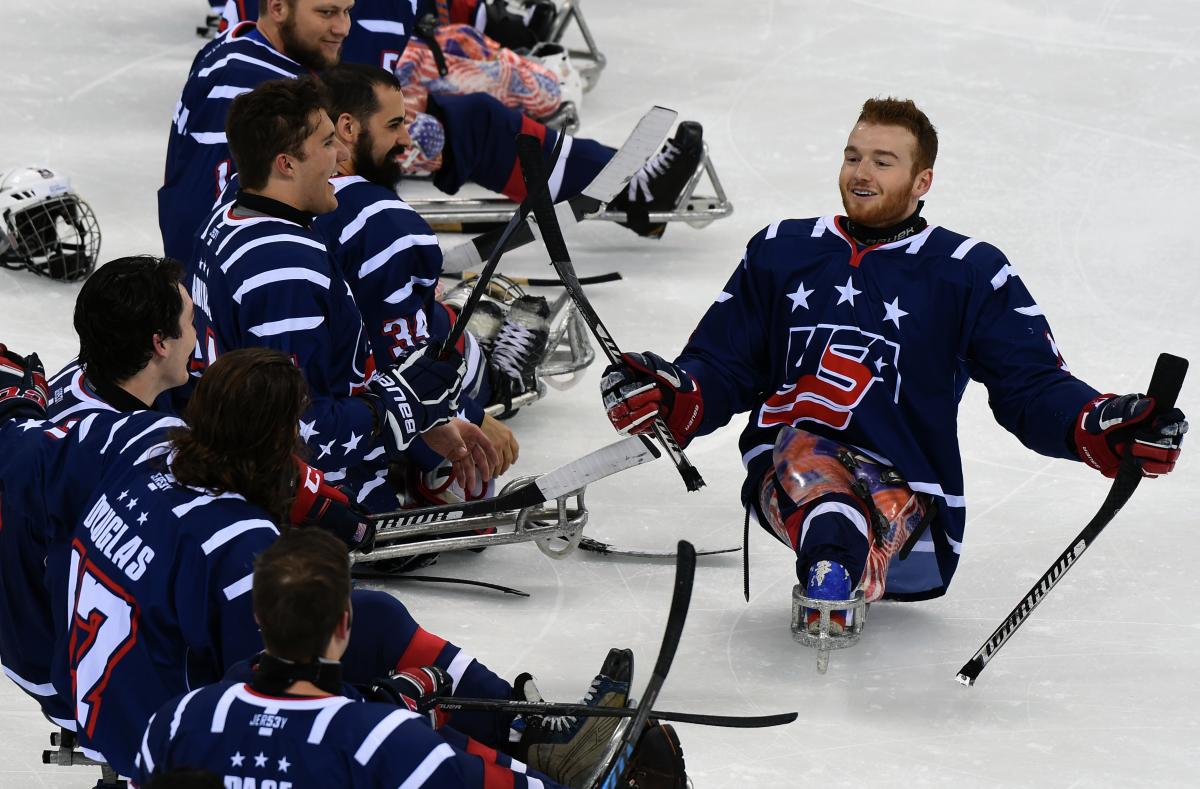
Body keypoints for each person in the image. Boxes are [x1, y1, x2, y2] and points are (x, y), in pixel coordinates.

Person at [600, 97, 1188, 637]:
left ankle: (846, 555)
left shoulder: (968, 270)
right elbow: (723, 363)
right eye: (853, 157)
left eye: (884, 162)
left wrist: (1100, 422)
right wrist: (673, 393)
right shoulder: (781, 249)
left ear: (921, 179)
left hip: (903, 481)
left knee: (838, 500)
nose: (861, 173)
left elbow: (1031, 385)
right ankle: (836, 552)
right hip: (787, 467)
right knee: (807, 461)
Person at [134, 526, 687, 788]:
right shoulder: (383, 742)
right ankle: (539, 745)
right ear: (344, 624)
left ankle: (536, 735)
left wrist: (385, 705)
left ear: (258, 617)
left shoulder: (182, 718)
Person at [159, 0, 704, 263]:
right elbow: (213, 209)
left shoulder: (267, 55)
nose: (341, 24)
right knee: (468, 127)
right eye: (330, 11)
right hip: (243, 264)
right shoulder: (252, 87)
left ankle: (627, 183)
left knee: (462, 121)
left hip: (316, 150)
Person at [186, 76, 493, 510]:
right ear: (287, 164)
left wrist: (423, 421)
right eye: (328, 142)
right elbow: (294, 434)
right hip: (305, 492)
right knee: (472, 499)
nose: (344, 154)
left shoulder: (230, 212)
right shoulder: (284, 267)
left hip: (234, 448)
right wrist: (405, 409)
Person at [316, 62, 526, 494]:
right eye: (394, 125)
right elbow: (403, 364)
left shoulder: (251, 191)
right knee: (449, 339)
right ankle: (495, 376)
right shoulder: (389, 224)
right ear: (348, 128)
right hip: (352, 421)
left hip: (266, 403)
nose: (406, 140)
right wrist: (472, 415)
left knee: (434, 316)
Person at [45, 255, 196, 420]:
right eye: (191, 322)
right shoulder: (127, 440)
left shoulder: (98, 361)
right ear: (160, 342)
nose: (195, 335)